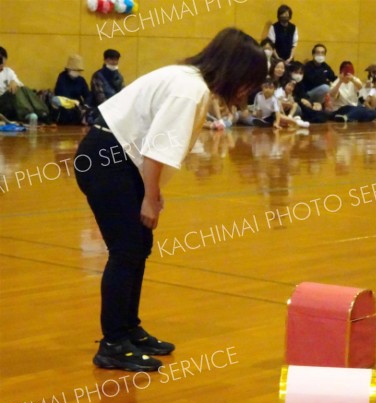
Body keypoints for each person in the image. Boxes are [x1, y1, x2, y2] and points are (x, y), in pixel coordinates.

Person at [74, 28, 267, 372]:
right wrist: (150, 198)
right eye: (250, 82)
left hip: (116, 158)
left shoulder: (190, 81)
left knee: (138, 245)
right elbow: (155, 151)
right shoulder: (189, 91)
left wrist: (153, 193)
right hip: (109, 159)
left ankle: (128, 329)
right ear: (235, 71)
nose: (248, 92)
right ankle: (114, 343)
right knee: (126, 249)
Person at [0, 46, 50, 123]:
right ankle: (26, 114)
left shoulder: (8, 71)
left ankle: (42, 112)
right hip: (2, 102)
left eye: (2, 60)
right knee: (15, 91)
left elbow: (20, 87)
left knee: (24, 89)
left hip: (12, 100)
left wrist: (13, 81)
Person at [52, 54, 90, 124]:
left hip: (78, 107)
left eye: (79, 70)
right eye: (75, 70)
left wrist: (86, 105)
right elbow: (61, 93)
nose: (77, 72)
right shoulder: (62, 78)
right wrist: (72, 102)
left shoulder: (81, 80)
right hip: (65, 105)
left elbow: (87, 95)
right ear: (68, 69)